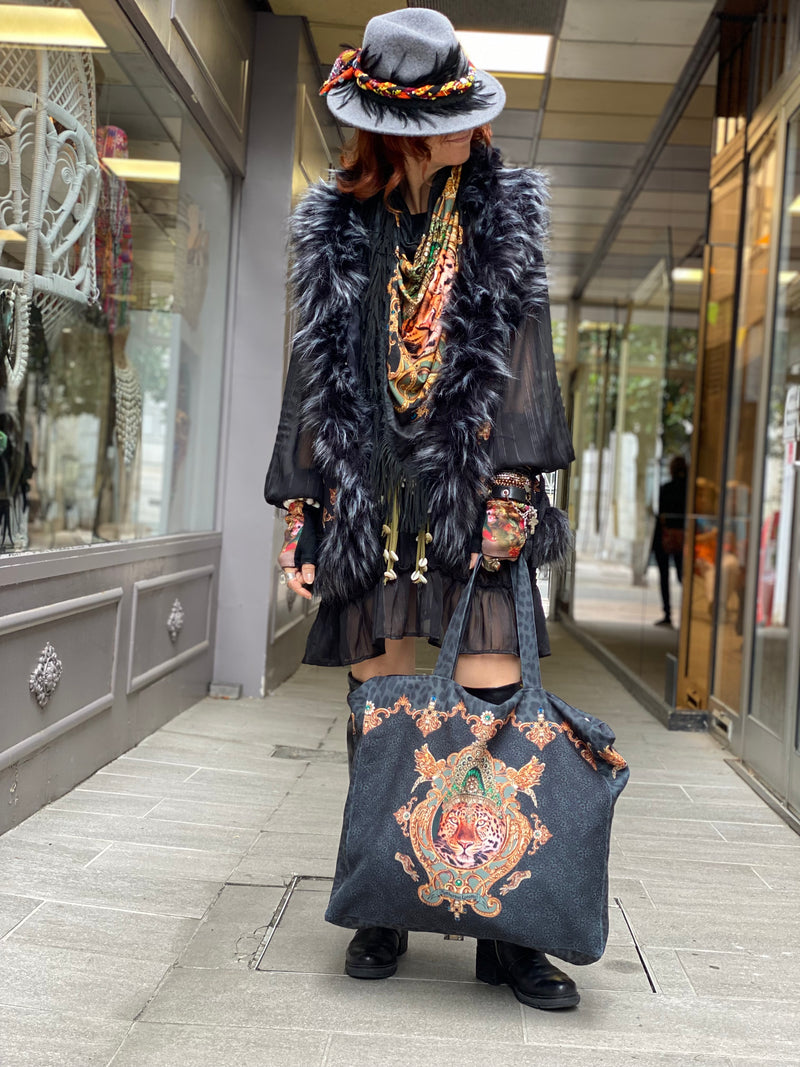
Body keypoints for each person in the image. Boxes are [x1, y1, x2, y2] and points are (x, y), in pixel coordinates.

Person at [265, 8, 576, 1010]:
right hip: (368, 494)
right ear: (393, 134)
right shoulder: (337, 225)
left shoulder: (501, 215)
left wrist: (515, 486)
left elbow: (525, 358)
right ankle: (383, 902)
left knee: (492, 699)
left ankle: (505, 927)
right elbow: (312, 374)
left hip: (469, 488)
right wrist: (301, 511)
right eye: (445, 120)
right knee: (380, 713)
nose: (469, 130)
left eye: (464, 113)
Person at [652, 455, 687, 627]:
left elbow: (659, 514)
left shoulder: (665, 489)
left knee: (664, 576)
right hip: (683, 538)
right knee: (683, 575)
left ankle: (667, 613)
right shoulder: (689, 491)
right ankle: (688, 613)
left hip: (664, 538)